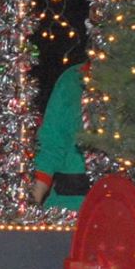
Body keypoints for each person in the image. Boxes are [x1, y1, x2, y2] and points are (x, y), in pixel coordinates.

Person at [31, 61, 90, 210]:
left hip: (132, 207)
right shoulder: (72, 79)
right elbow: (50, 145)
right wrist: (31, 205)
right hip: (71, 206)